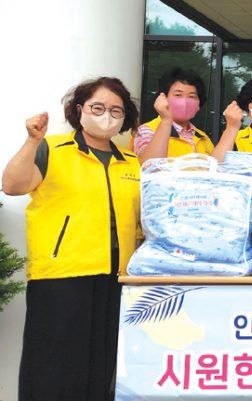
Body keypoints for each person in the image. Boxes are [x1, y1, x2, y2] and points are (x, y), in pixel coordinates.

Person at [2, 77, 141, 401]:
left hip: (115, 278)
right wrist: (31, 141)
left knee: (101, 366)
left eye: (116, 110)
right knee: (53, 367)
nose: (107, 116)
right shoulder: (52, 148)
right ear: (79, 109)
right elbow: (12, 185)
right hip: (62, 276)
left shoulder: (131, 162)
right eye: (98, 107)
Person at [133, 67, 213, 163]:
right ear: (163, 98)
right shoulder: (146, 130)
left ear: (198, 104)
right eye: (178, 95)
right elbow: (150, 165)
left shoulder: (203, 137)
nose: (185, 101)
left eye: (191, 96)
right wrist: (166, 120)